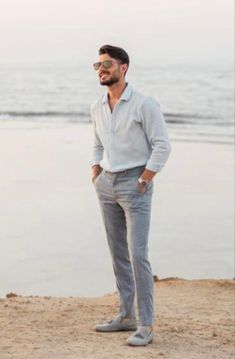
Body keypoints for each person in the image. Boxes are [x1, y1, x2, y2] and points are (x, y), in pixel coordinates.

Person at [90, 44, 171, 346]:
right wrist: (95, 169)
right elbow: (97, 143)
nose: (101, 69)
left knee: (138, 255)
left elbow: (162, 144)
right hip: (107, 185)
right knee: (118, 253)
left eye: (107, 64)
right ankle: (126, 316)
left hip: (135, 185)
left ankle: (146, 325)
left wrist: (145, 179)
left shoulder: (144, 104)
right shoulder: (97, 105)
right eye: (98, 65)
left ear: (123, 67)